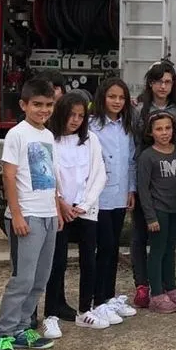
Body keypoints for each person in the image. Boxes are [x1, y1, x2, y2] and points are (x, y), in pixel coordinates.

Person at [0, 78, 61, 350]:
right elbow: (8, 175)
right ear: (23, 105)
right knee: (22, 278)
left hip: (48, 215)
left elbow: (50, 175)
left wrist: (56, 208)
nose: (43, 110)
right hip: (26, 216)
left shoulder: (47, 136)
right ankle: (2, 335)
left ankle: (22, 328)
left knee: (40, 278)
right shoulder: (17, 134)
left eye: (48, 105)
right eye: (37, 105)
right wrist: (16, 213)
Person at [44, 92, 108, 333]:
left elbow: (98, 173)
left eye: (81, 116)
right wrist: (61, 203)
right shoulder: (50, 138)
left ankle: (85, 308)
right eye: (72, 115)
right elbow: (50, 173)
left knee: (88, 260)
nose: (76, 120)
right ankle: (51, 312)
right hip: (59, 209)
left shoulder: (90, 139)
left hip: (85, 209)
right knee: (57, 261)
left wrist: (84, 202)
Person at [130, 61, 176, 308]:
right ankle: (153, 291)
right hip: (155, 199)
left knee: (168, 248)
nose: (163, 86)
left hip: (174, 203)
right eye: (158, 81)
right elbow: (134, 141)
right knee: (152, 246)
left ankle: (169, 287)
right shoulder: (139, 110)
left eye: (167, 81)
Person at [88, 78, 138, 325]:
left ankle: (108, 296)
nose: (117, 102)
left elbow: (130, 160)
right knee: (104, 247)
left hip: (119, 195)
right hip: (98, 196)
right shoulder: (92, 125)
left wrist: (131, 189)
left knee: (113, 247)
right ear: (102, 97)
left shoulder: (126, 126)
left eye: (121, 98)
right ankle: (97, 299)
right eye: (112, 97)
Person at [137, 112, 176, 314]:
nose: (164, 133)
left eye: (167, 128)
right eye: (159, 129)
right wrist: (150, 217)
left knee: (171, 250)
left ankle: (170, 288)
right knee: (157, 252)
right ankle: (157, 294)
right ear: (151, 132)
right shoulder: (147, 156)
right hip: (158, 211)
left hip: (175, 210)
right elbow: (143, 189)